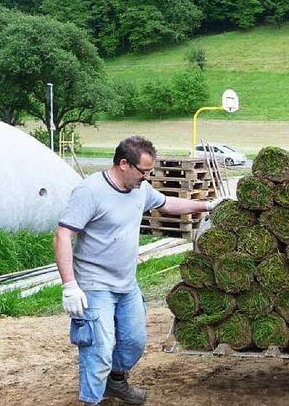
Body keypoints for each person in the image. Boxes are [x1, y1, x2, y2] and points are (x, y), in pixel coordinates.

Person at [54, 136, 222, 405]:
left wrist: (206, 205)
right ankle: (91, 400)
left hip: (127, 284)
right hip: (95, 284)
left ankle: (116, 383)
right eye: (143, 171)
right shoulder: (90, 191)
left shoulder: (139, 190)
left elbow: (166, 204)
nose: (147, 177)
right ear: (123, 164)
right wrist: (70, 286)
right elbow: (63, 235)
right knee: (98, 347)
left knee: (133, 342)